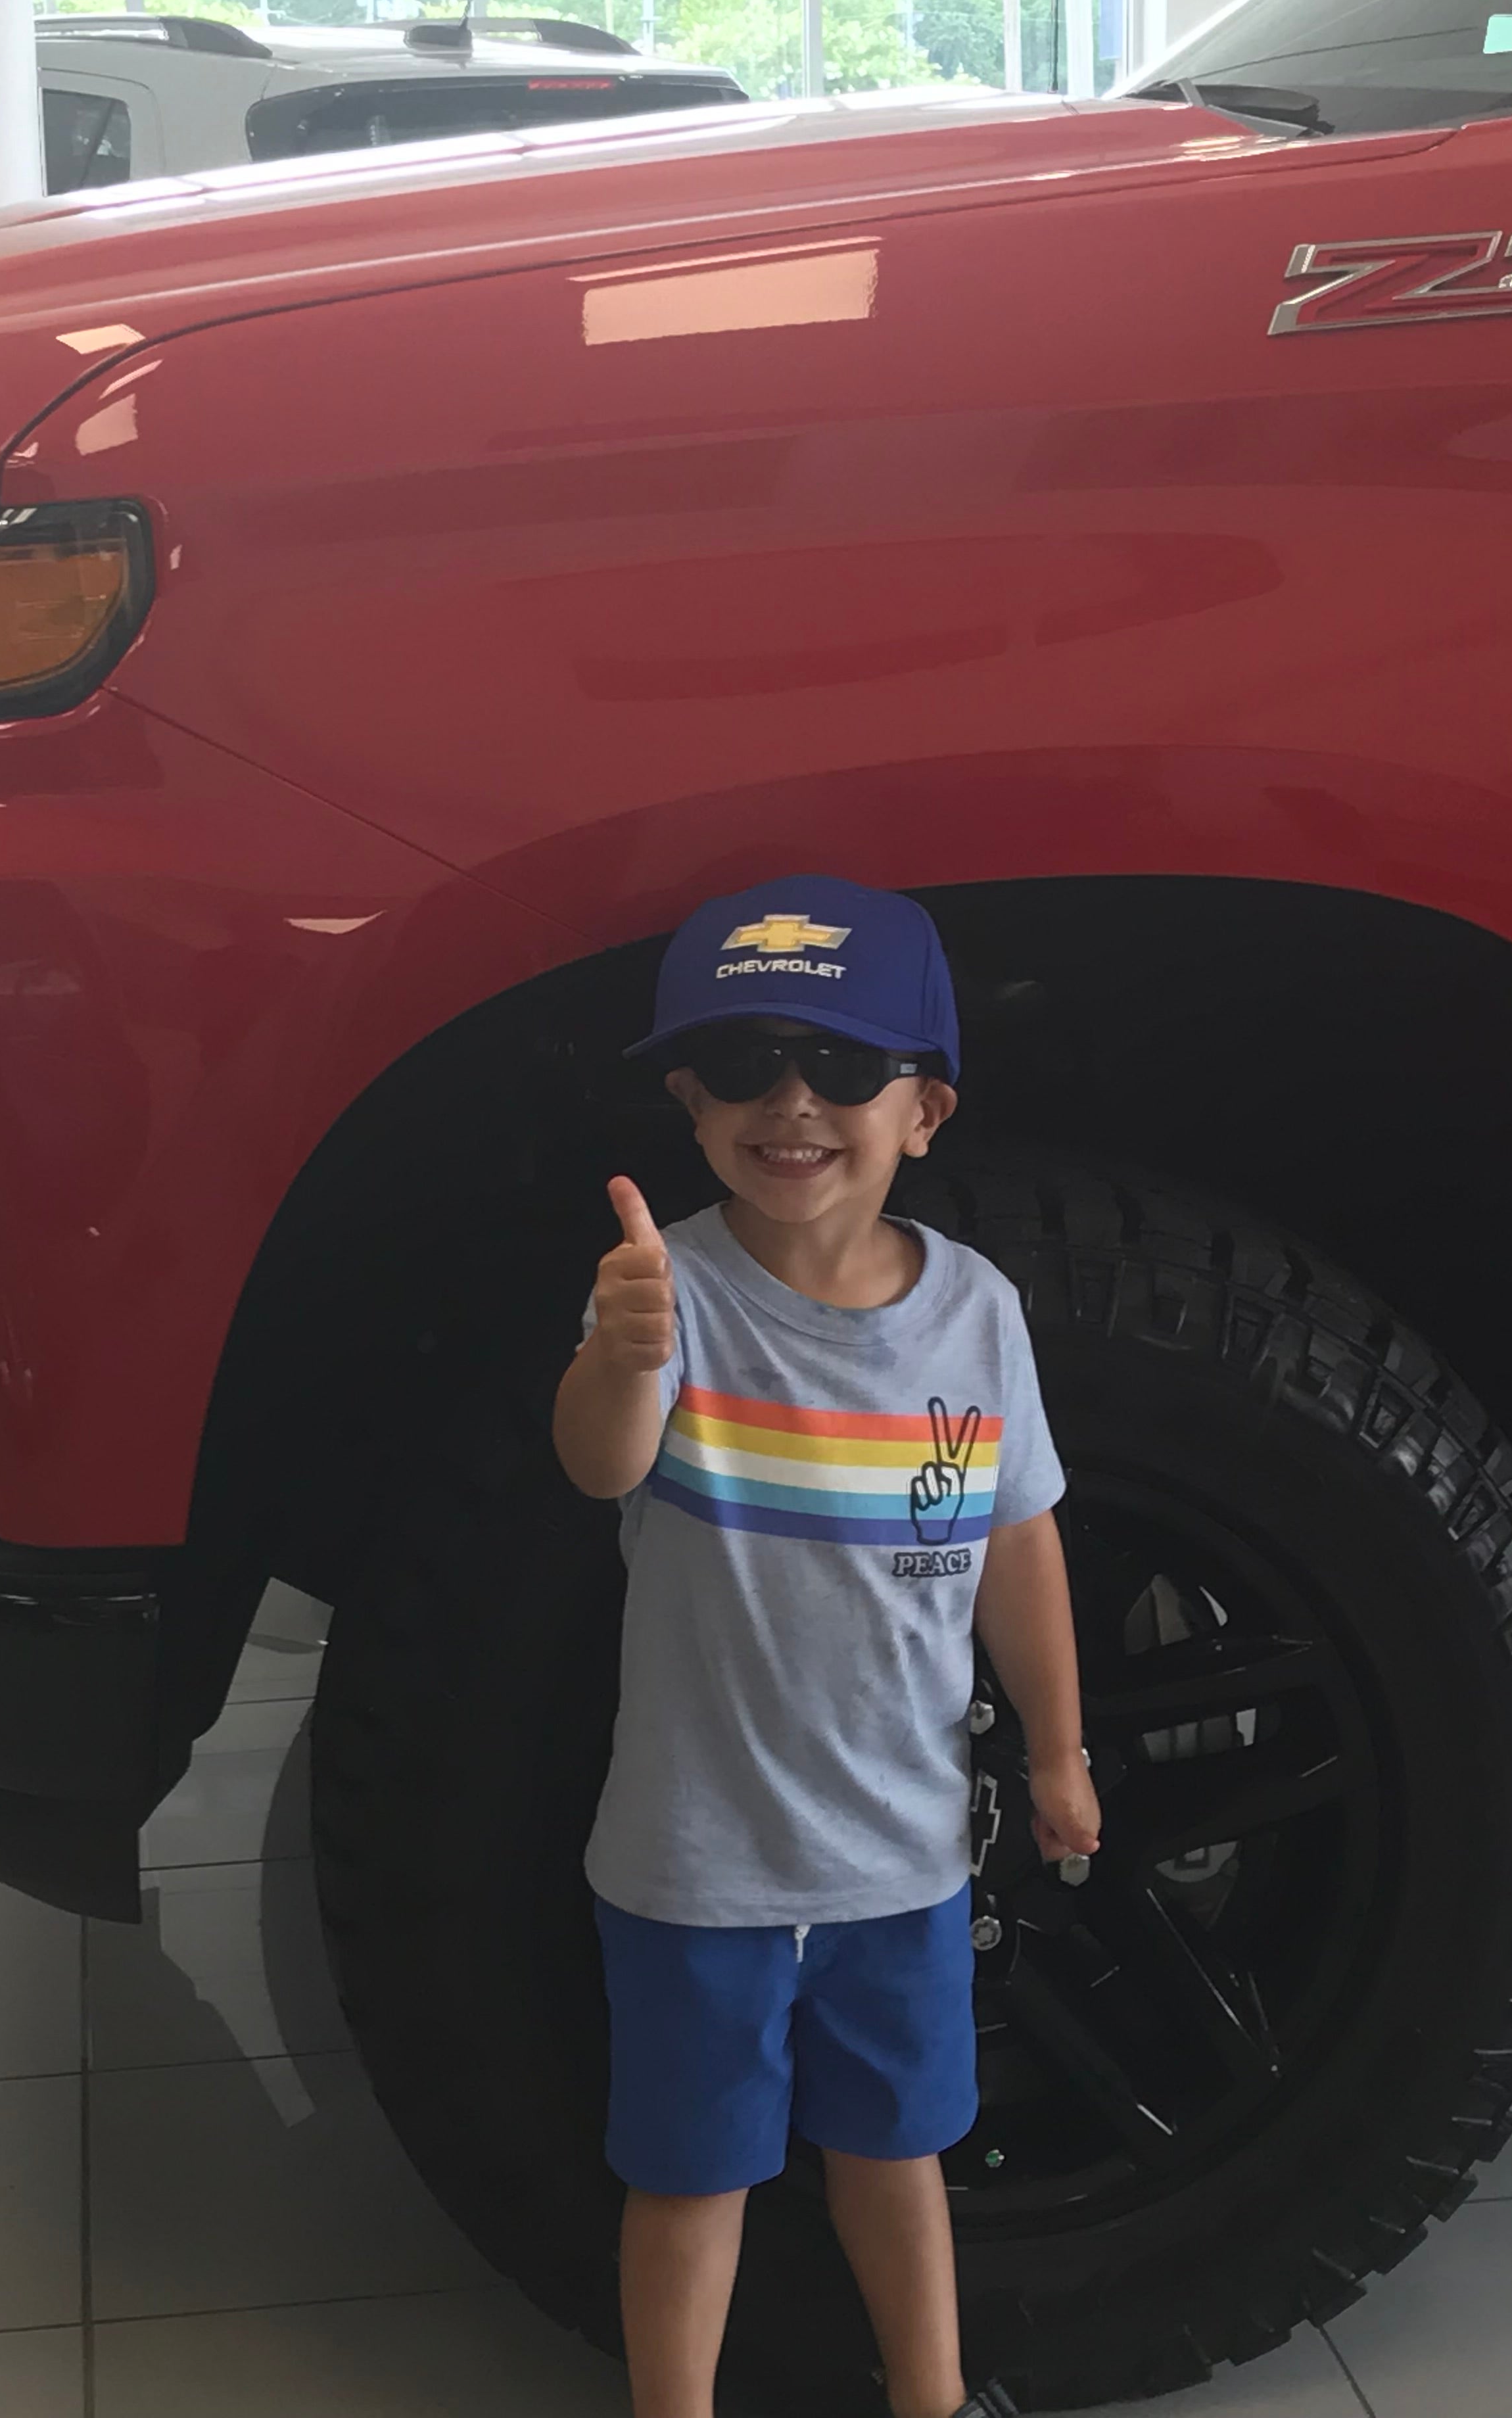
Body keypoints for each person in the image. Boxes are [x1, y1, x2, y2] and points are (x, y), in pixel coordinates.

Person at [553, 872, 1101, 2418]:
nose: (791, 1103)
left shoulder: (977, 1314)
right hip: (694, 1870)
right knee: (690, 2179)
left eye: (842, 1067)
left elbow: (1017, 1539)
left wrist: (1057, 1751)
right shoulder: (673, 1295)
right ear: (688, 1100)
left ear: (924, 1108)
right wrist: (619, 1351)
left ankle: (931, 2399)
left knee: (898, 2154)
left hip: (901, 1864)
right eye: (743, 1067)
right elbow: (599, 1467)